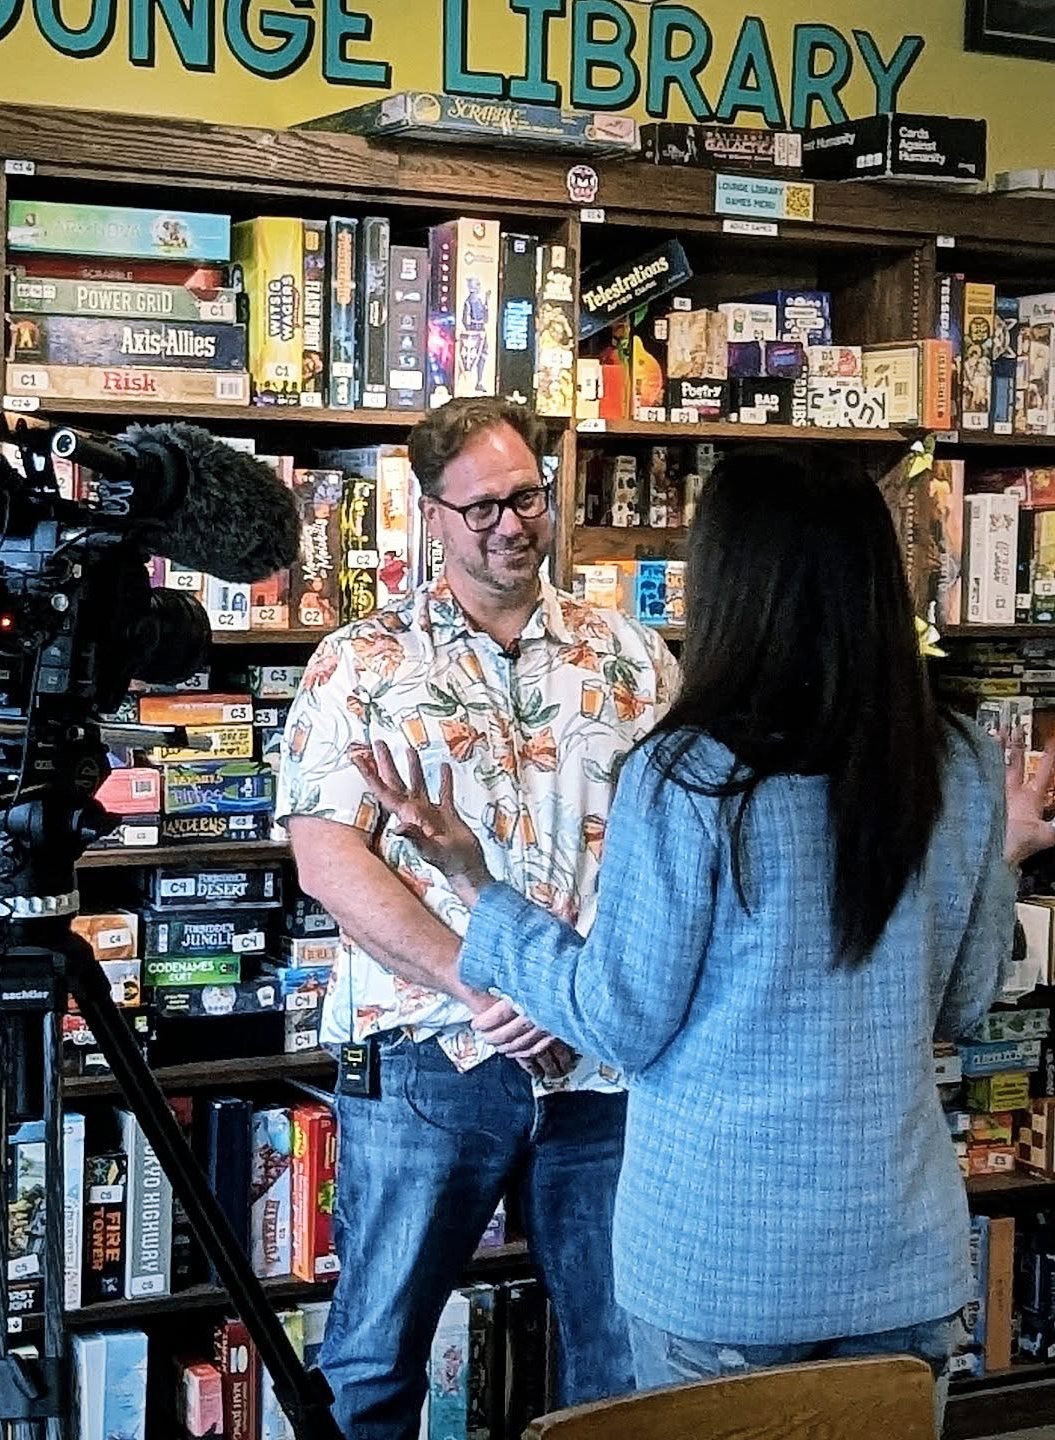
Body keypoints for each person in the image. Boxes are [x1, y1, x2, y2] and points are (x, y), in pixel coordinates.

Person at [351, 446, 1055, 1425]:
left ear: (733, 582)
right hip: (901, 1257)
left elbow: (621, 1017)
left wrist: (477, 883)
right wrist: (1005, 855)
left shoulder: (690, 774)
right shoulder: (962, 760)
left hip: (721, 1261)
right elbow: (964, 1002)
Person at [276, 396, 678, 1437]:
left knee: (626, 1358)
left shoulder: (632, 659)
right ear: (433, 514)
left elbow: (680, 856)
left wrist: (579, 992)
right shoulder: (359, 664)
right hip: (427, 1063)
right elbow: (328, 858)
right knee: (372, 1357)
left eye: (529, 497)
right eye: (486, 504)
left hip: (606, 1066)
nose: (513, 522)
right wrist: (480, 979)